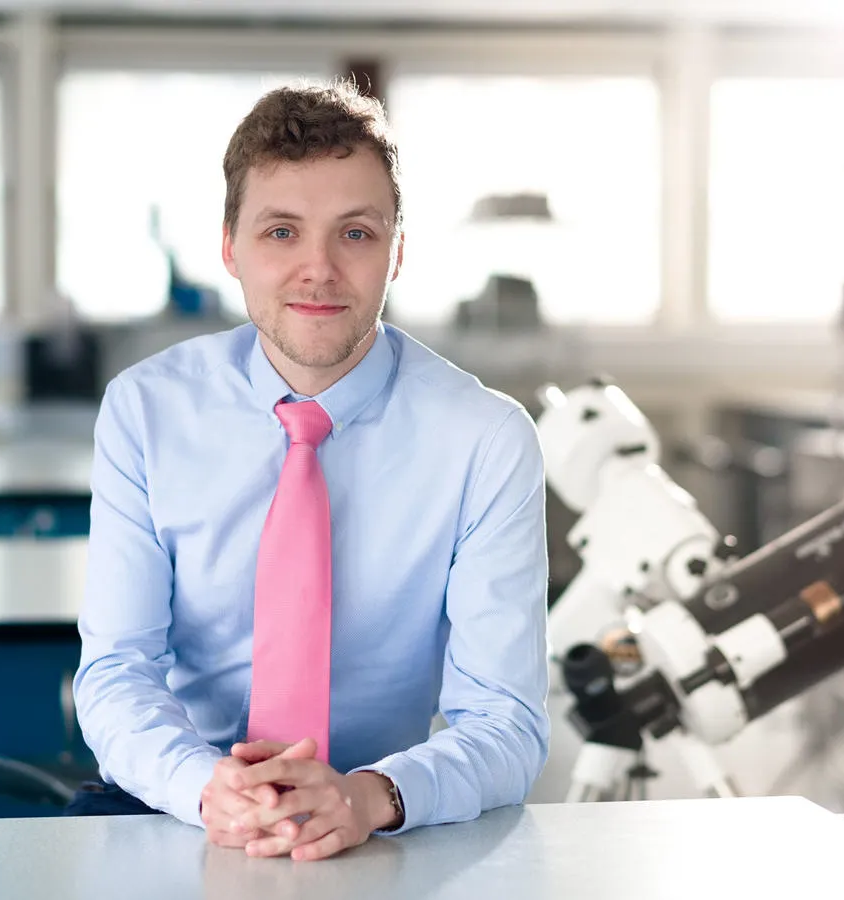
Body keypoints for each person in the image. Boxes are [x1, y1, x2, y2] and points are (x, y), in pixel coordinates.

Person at [67, 79, 550, 863]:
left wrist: (368, 798)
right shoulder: (145, 411)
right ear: (230, 247)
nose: (318, 269)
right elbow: (117, 669)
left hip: (383, 818)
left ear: (399, 249)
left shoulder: (485, 440)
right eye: (282, 232)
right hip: (175, 803)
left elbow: (507, 721)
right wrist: (203, 786)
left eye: (355, 234)